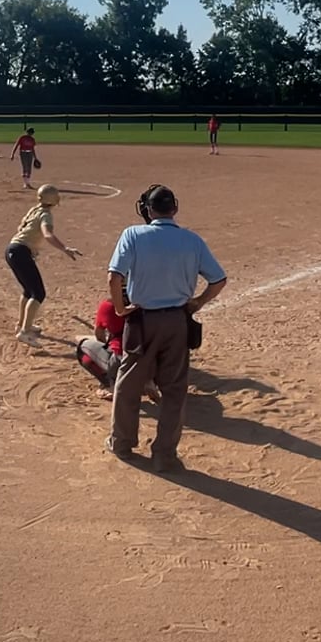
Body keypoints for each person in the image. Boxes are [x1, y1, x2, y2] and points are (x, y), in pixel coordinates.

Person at [106, 184, 227, 473]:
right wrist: (197, 303)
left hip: (141, 320)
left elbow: (114, 276)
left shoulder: (133, 234)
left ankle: (122, 443)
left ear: (147, 210)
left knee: (128, 384)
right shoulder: (192, 240)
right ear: (175, 208)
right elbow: (218, 279)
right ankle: (164, 455)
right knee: (174, 389)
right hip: (177, 321)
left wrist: (120, 309)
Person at [4, 183, 82, 346]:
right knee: (38, 293)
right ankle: (24, 332)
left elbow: (21, 228)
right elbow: (47, 234)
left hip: (13, 250)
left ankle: (22, 325)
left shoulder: (34, 210)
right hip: (20, 253)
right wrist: (65, 248)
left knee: (28, 291)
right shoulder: (46, 215)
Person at [75, 298, 158, 401]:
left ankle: (110, 385)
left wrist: (108, 345)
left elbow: (99, 334)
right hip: (150, 359)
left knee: (82, 347)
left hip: (122, 356)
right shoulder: (148, 303)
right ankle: (148, 380)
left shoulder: (109, 305)